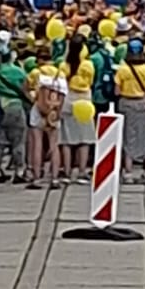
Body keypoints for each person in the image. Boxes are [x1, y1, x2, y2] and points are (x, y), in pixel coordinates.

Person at [0, 36, 29, 185]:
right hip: (15, 106)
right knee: (18, 141)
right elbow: (25, 89)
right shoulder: (18, 72)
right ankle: (19, 171)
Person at [115, 39, 145, 183]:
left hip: (126, 103)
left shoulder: (122, 69)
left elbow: (117, 91)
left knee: (128, 137)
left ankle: (128, 172)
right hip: (142, 103)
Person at [26, 44, 66, 189]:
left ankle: (36, 178)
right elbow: (63, 94)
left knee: (37, 143)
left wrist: (33, 99)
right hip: (54, 110)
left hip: (39, 108)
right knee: (54, 145)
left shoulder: (36, 72)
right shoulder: (59, 73)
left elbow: (25, 87)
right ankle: (54, 178)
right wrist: (58, 111)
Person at [60, 34, 95, 184]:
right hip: (84, 100)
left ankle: (67, 172)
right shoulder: (87, 65)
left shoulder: (64, 65)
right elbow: (91, 81)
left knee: (67, 139)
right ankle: (82, 171)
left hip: (68, 99)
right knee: (84, 139)